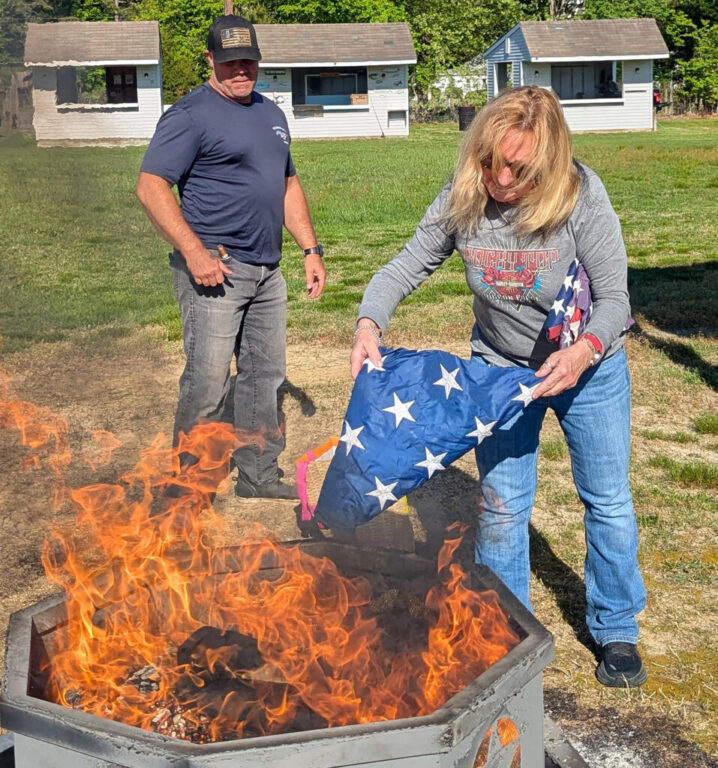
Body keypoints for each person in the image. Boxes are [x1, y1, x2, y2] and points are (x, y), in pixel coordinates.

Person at [350, 86, 647, 688]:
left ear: (550, 163)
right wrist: (367, 321)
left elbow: (616, 298)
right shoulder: (465, 194)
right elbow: (407, 263)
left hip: (589, 366)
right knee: (503, 506)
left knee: (607, 500)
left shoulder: (582, 197)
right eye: (490, 161)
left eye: (518, 168)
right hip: (501, 370)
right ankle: (508, 632)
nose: (500, 178)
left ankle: (617, 628)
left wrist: (585, 350)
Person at [136, 14, 325, 500]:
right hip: (215, 269)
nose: (240, 71)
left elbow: (287, 183)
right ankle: (186, 487)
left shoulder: (271, 114)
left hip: (268, 269)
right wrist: (194, 252)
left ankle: (258, 475)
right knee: (207, 381)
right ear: (210, 60)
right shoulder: (190, 114)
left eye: (248, 61)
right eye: (228, 62)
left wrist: (310, 248)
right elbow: (151, 187)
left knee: (265, 376)